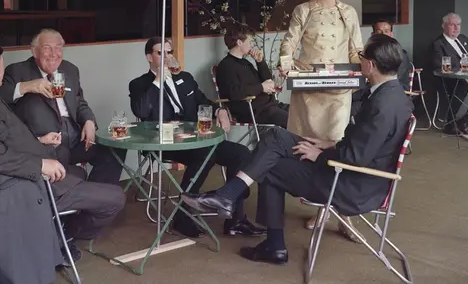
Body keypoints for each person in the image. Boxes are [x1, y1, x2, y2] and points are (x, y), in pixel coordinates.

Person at [181, 34, 413, 265]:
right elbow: (367, 144)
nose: (359, 60)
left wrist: (320, 155)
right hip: (353, 172)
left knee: (270, 168)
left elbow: (356, 156)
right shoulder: (395, 96)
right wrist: (330, 144)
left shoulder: (381, 105)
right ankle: (228, 195)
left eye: (361, 56)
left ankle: (273, 244)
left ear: (371, 65)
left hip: (350, 184)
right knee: (276, 136)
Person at [0, 42, 125, 281]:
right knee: (115, 197)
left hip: (27, 167)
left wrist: (38, 141)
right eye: (1, 64)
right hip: (29, 184)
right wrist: (41, 164)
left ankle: (57, 230)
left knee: (81, 172)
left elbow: (1, 138)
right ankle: (65, 236)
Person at [129, 37, 265, 239]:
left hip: (196, 139)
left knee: (241, 153)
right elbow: (140, 110)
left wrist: (219, 110)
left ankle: (235, 218)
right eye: (160, 53)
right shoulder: (139, 84)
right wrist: (157, 81)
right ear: (149, 57)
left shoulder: (185, 78)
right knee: (205, 153)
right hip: (165, 142)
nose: (167, 57)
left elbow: (203, 101)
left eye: (169, 52)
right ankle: (182, 215)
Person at [0, 29, 126, 186]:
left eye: (58, 48)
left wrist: (89, 121)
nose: (54, 54)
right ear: (34, 51)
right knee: (68, 168)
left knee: (114, 149)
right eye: (47, 48)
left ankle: (98, 197)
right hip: (46, 143)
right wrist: (27, 86)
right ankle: (82, 195)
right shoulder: (18, 71)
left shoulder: (70, 70)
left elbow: (79, 102)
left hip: (76, 139)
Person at [279, 0, 363, 142]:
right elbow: (290, 41)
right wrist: (285, 63)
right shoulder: (303, 10)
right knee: (303, 140)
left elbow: (356, 49)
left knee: (335, 138)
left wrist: (361, 71)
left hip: (339, 86)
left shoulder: (349, 12)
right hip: (308, 85)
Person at [215, 25, 289, 128]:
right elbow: (234, 92)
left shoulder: (245, 63)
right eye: (250, 42)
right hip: (254, 111)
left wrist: (260, 62)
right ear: (239, 42)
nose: (252, 45)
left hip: (270, 106)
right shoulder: (226, 66)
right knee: (293, 121)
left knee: (301, 113)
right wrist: (261, 87)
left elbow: (268, 80)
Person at [351, 19, 412, 115]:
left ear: (391, 34)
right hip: (373, 90)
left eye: (386, 31)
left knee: (353, 107)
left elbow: (388, 81)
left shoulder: (400, 54)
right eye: (379, 32)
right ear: (373, 35)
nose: (383, 34)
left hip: (392, 93)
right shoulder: (370, 54)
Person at [429, 13, 468, 134]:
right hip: (447, 80)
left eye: (458, 25)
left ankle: (463, 122)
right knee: (463, 86)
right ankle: (450, 124)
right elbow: (440, 65)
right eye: (452, 25)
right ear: (444, 26)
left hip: (464, 77)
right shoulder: (438, 44)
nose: (456, 28)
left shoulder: (463, 39)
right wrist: (463, 73)